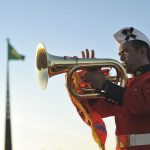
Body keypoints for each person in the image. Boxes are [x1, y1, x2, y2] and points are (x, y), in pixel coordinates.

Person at [74, 27, 150, 150]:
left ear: (142, 51)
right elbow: (100, 111)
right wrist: (89, 84)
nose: (121, 58)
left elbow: (143, 103)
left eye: (125, 52)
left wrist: (105, 85)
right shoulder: (127, 84)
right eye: (120, 54)